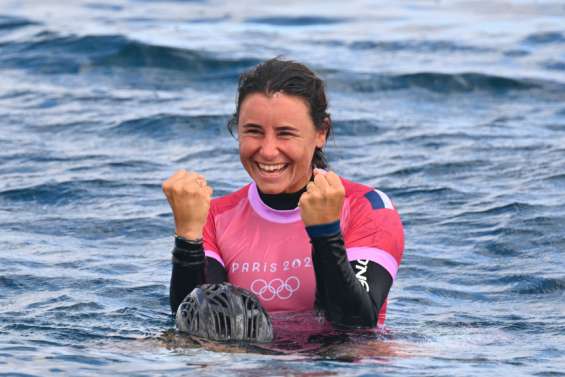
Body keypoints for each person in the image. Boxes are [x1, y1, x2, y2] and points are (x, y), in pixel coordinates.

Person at [163, 58, 404, 329]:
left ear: (321, 133)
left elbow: (356, 324)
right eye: (253, 132)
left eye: (285, 134)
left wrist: (326, 234)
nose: (267, 150)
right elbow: (199, 329)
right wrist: (187, 238)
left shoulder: (367, 208)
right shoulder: (215, 216)